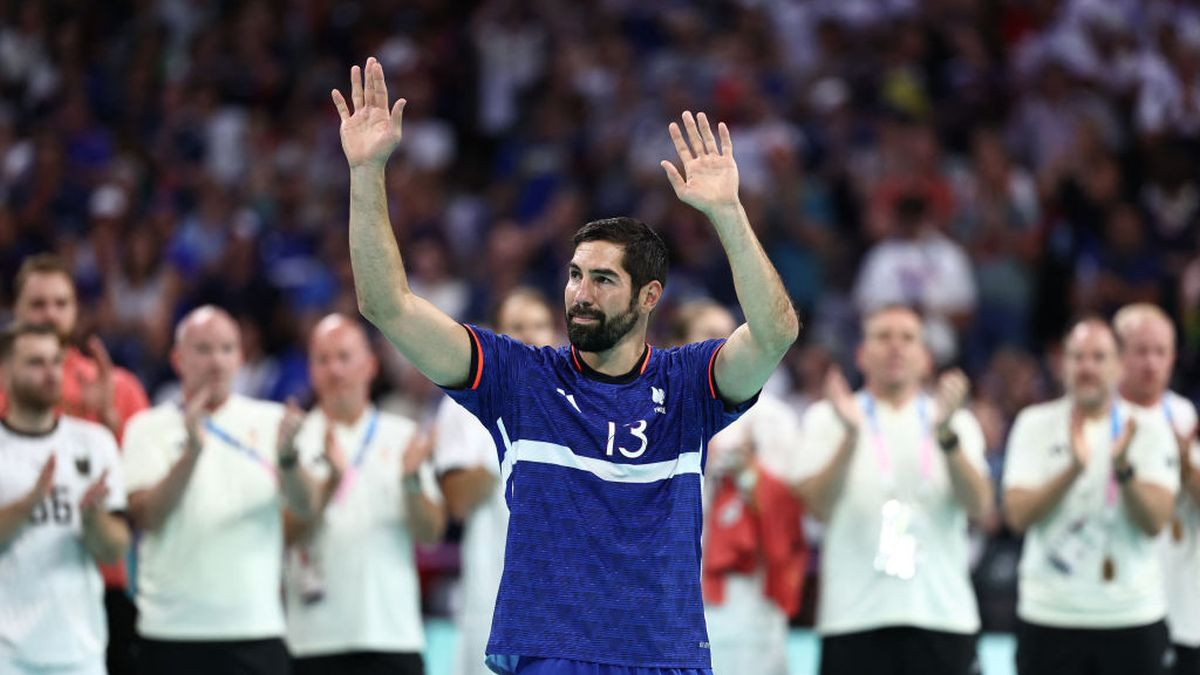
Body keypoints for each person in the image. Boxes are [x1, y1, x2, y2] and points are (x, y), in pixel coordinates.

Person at [334, 57, 799, 674]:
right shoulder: (519, 379)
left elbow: (775, 334)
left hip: (664, 657)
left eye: (604, 279)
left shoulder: (689, 386)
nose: (580, 293)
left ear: (648, 297)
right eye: (575, 275)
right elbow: (385, 304)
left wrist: (728, 215)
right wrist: (367, 171)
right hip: (551, 657)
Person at [794, 305, 992, 675]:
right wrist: (850, 438)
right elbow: (815, 509)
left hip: (941, 616)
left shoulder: (956, 421)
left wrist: (947, 437)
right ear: (861, 354)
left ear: (926, 358)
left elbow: (980, 506)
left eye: (907, 338)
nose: (895, 348)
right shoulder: (829, 418)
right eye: (883, 337)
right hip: (852, 618)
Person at [121, 306, 319, 675]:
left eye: (227, 349)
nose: (217, 361)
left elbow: (307, 506)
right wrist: (191, 454)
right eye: (204, 349)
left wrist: (290, 459)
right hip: (169, 631)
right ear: (177, 359)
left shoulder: (271, 420)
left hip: (255, 630)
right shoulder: (146, 428)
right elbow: (146, 517)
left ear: (241, 358)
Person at [1004, 318, 1179, 675]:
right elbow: (1017, 517)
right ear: (1061, 364)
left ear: (1118, 366)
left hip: (1131, 614)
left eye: (1099, 357)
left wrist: (1124, 472)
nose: (1087, 367)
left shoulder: (1148, 429)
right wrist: (1071, 470)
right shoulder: (1033, 424)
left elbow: (1155, 522)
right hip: (1049, 613)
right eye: (1077, 357)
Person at [3, 253, 149, 675]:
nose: (50, 314)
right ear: (17, 311)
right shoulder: (7, 382)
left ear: (76, 310)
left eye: (60, 303)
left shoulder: (118, 387)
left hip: (101, 584)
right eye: (37, 304)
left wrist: (110, 423)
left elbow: (139, 494)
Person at [283, 313, 444, 675]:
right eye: (323, 359)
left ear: (370, 365)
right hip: (313, 640)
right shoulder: (293, 441)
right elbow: (286, 534)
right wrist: (328, 487)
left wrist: (411, 482)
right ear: (310, 369)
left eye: (344, 357)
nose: (334, 370)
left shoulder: (402, 436)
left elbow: (430, 534)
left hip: (391, 634)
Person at [431, 288, 558, 675]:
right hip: (492, 594)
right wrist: (507, 441)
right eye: (517, 327)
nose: (530, 336)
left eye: (540, 326)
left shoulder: (578, 403)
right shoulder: (462, 405)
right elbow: (457, 502)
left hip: (563, 597)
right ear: (498, 337)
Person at [680, 300, 807, 675]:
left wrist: (750, 474)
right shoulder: (660, 416)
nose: (721, 345)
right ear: (680, 346)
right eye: (707, 335)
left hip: (751, 599)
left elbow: (792, 520)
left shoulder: (776, 420)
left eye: (729, 335)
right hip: (676, 595)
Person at [1113, 303, 1200, 675]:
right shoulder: (1098, 414)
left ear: (1173, 357)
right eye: (1140, 351)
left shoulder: (1185, 417)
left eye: (1160, 351)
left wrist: (1185, 463)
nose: (1151, 363)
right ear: (1118, 355)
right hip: (1114, 601)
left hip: (1180, 603)